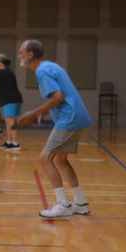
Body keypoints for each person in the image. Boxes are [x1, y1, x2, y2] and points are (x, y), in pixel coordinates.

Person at [14, 39, 92, 219]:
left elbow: (58, 96)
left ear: (31, 54)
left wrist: (34, 113)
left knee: (44, 158)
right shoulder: (50, 66)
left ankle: (63, 204)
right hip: (76, 116)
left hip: (69, 119)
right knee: (60, 160)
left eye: (21, 52)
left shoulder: (42, 71)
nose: (20, 55)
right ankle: (80, 203)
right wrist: (46, 113)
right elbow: (62, 96)